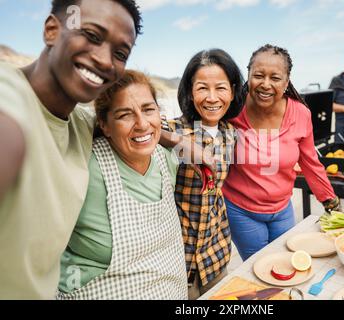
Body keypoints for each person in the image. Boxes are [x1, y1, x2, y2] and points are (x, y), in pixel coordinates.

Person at [0, 0, 141, 299]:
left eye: (120, 54)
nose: (105, 60)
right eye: (91, 35)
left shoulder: (79, 123)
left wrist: (174, 139)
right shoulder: (9, 98)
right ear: (52, 30)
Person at [57, 70, 187, 300]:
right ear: (104, 126)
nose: (142, 123)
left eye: (148, 109)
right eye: (125, 115)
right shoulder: (84, 168)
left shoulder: (167, 161)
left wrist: (178, 140)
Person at [222, 44, 339, 261]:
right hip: (241, 211)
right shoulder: (232, 108)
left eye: (275, 78)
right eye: (258, 75)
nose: (265, 84)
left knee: (287, 262)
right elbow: (197, 127)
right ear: (248, 75)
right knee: (261, 269)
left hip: (283, 209)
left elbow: (310, 163)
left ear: (286, 82)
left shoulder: (301, 113)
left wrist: (330, 202)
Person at [161, 49, 244, 299]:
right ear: (189, 91)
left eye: (220, 88)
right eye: (201, 88)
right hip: (177, 262)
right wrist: (180, 143)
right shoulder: (172, 129)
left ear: (232, 91)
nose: (211, 98)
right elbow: (139, 126)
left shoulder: (231, 134)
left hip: (216, 256)